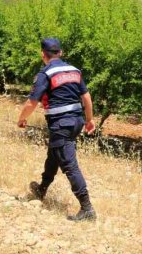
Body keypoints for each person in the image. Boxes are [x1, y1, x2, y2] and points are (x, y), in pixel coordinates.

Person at [17, 38, 97, 221]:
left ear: (42, 54)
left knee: (69, 165)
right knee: (54, 155)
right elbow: (86, 97)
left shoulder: (46, 73)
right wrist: (90, 120)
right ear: (60, 53)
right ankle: (41, 189)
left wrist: (21, 119)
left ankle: (87, 208)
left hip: (62, 124)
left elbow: (32, 102)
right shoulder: (74, 71)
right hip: (76, 122)